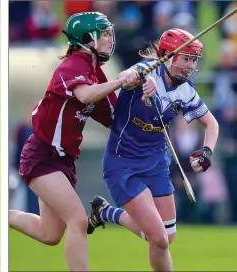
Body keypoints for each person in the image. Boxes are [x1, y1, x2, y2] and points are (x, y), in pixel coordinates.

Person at [86, 28, 219, 271]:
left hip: (157, 163)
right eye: (185, 58)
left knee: (166, 238)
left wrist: (207, 151)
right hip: (123, 164)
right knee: (157, 237)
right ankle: (107, 213)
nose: (189, 66)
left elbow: (211, 123)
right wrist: (135, 79)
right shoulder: (146, 69)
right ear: (168, 56)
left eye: (193, 60)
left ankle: (105, 212)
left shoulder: (185, 89)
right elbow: (129, 74)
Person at [8, 12, 133, 271]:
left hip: (65, 161)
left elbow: (115, 119)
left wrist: (141, 92)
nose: (110, 39)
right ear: (88, 39)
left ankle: (2, 218)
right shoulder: (72, 66)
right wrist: (121, 81)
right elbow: (86, 95)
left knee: (49, 234)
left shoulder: (95, 72)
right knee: (78, 221)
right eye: (105, 34)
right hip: (42, 156)